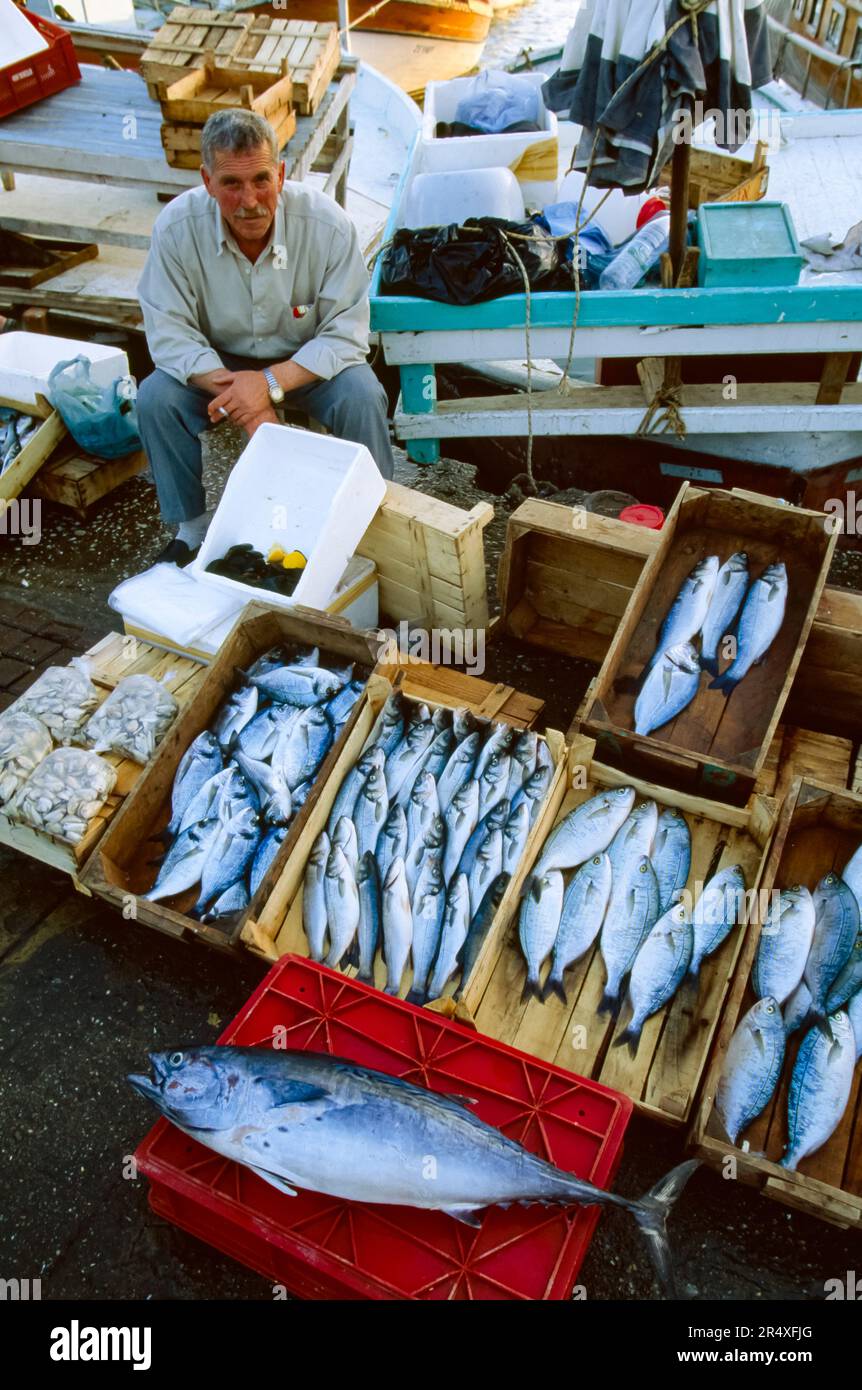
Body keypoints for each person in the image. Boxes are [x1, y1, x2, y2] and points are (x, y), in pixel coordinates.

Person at [137, 108, 394, 565]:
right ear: (207, 181)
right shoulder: (175, 229)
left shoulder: (329, 226)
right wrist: (247, 398)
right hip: (216, 365)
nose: (249, 201)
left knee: (362, 394)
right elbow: (169, 331)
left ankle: (370, 523)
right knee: (156, 398)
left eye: (260, 180)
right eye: (231, 185)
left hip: (305, 362)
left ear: (280, 173)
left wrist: (270, 385)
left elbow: (346, 334)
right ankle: (192, 528)